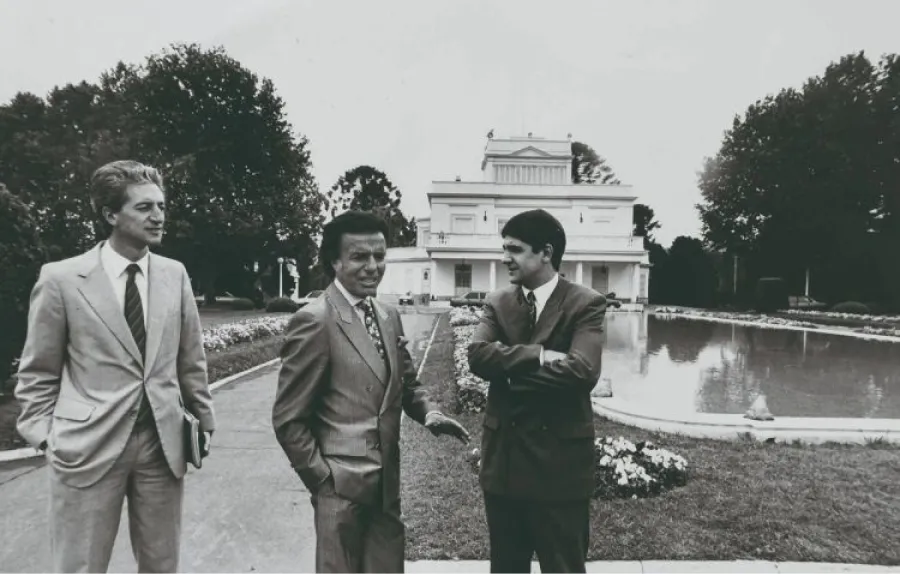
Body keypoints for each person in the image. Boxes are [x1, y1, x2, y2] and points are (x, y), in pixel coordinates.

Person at [15, 160, 216, 573]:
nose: (158, 216)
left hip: (161, 445)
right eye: (144, 207)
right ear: (110, 214)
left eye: (161, 205)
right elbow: (38, 371)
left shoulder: (174, 275)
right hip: (86, 445)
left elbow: (190, 360)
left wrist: (203, 421)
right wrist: (45, 437)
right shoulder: (61, 279)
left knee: (161, 565)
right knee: (81, 565)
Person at [273, 210, 470, 573]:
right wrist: (322, 480)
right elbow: (288, 419)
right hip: (339, 489)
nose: (372, 266)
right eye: (359, 257)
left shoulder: (387, 315)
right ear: (334, 261)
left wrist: (430, 412)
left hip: (385, 487)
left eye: (379, 256)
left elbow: (407, 383)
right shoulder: (314, 320)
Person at [467, 209, 607, 573]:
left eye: (514, 249)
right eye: (504, 248)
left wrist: (509, 375)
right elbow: (478, 357)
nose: (504, 257)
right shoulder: (497, 302)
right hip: (505, 466)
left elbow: (582, 371)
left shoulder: (586, 303)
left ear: (546, 252)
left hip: (559, 470)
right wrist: (541, 356)